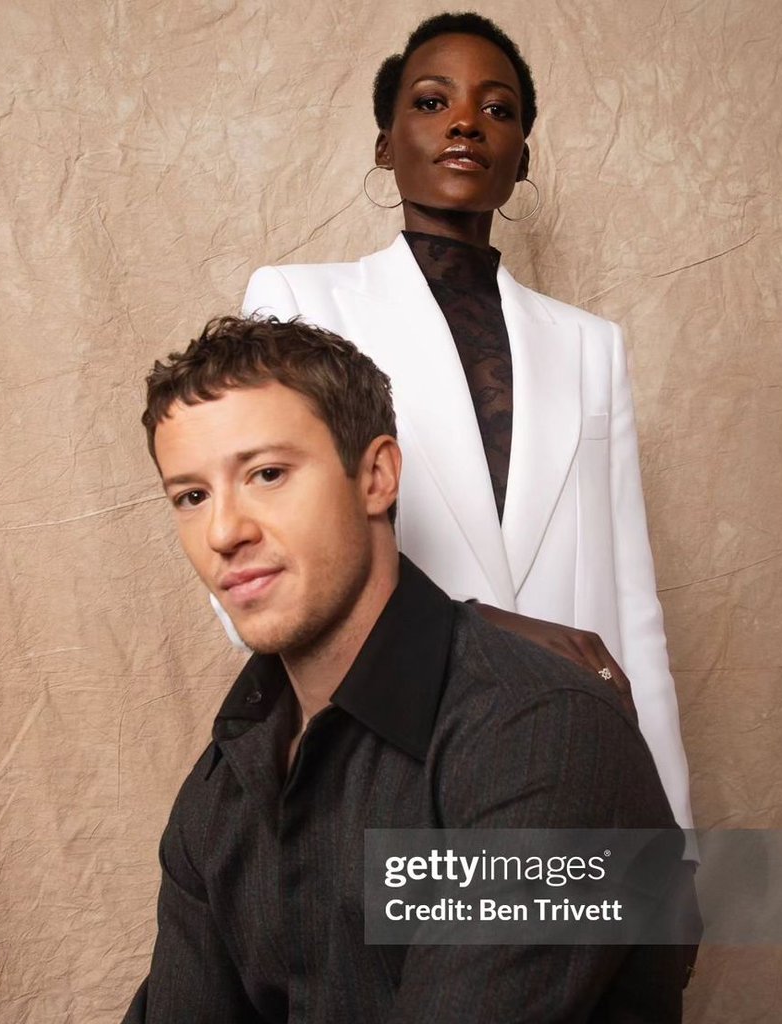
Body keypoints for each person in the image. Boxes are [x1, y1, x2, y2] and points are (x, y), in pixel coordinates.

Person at [0, 316, 693, 1024]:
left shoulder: (540, 734)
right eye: (190, 496)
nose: (225, 533)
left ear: (376, 476)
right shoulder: (231, 774)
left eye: (266, 474)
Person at [236, 11, 694, 837]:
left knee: (576, 966)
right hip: (386, 758)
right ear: (385, 143)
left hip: (568, 768)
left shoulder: (593, 346)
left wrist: (676, 852)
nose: (465, 122)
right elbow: (272, 556)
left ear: (523, 157)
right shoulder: (302, 303)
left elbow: (634, 608)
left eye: (498, 109)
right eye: (432, 101)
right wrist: (476, 632)